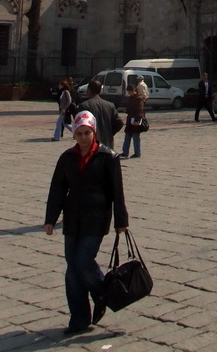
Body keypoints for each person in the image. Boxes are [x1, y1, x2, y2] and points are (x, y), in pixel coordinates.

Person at [44, 110, 128, 336]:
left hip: (96, 218)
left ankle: (103, 294)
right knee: (72, 271)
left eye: (87, 133)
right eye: (79, 133)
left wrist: (122, 221)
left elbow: (116, 192)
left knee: (83, 261)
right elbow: (58, 189)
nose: (83, 137)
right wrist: (50, 219)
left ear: (94, 133)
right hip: (72, 219)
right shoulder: (67, 158)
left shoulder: (108, 157)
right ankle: (79, 318)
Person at [81, 80, 124, 151]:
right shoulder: (110, 105)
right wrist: (109, 133)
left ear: (89, 90)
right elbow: (119, 123)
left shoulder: (85, 106)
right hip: (107, 144)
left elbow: (82, 126)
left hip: (91, 145)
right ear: (100, 90)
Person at [121, 84, 145, 159]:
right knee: (127, 136)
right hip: (130, 120)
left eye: (130, 92)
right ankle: (125, 152)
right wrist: (126, 110)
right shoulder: (131, 98)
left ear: (133, 91)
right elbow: (130, 108)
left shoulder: (138, 99)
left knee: (135, 137)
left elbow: (140, 110)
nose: (129, 93)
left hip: (135, 120)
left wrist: (137, 119)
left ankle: (137, 152)